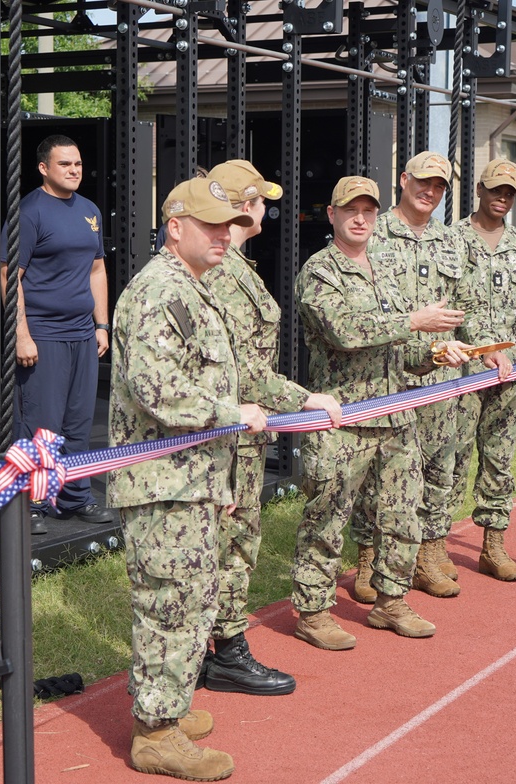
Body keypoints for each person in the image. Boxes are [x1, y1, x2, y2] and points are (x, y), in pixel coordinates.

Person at [109, 176, 266, 780]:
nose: (225, 235)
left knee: (193, 600)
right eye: (211, 225)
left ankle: (167, 707)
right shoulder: (158, 292)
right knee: (170, 603)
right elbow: (159, 391)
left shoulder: (192, 290)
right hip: (161, 482)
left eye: (229, 225)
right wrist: (234, 416)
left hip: (191, 477)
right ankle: (154, 733)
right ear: (175, 228)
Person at [291, 176, 470, 650]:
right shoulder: (319, 272)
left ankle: (391, 601)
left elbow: (403, 349)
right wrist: (414, 321)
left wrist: (434, 353)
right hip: (343, 418)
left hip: (395, 413)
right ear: (331, 215)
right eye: (351, 210)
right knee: (327, 517)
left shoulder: (384, 271)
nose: (361, 219)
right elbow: (345, 332)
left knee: (401, 515)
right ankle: (312, 611)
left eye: (369, 211)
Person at [198, 159, 342, 696]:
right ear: (244, 205)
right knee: (231, 542)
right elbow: (246, 371)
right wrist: (305, 399)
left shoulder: (235, 264)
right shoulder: (226, 272)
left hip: (241, 431)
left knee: (235, 539)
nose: (267, 209)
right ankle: (226, 650)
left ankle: (215, 645)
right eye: (261, 200)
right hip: (228, 433)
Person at [348, 151, 467, 602]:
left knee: (438, 466)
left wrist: (482, 351)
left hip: (439, 374)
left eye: (439, 186)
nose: (430, 191)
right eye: (423, 182)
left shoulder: (449, 240)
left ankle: (427, 554)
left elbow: (463, 304)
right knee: (376, 472)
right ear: (403, 179)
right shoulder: (373, 234)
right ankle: (369, 560)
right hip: (387, 374)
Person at [450, 159, 516, 580]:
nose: (501, 197)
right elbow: (450, 305)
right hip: (463, 372)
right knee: (451, 458)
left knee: (499, 457)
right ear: (478, 189)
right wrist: (480, 349)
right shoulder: (453, 240)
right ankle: (433, 546)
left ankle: (493, 543)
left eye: (509, 192)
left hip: (512, 371)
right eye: (495, 189)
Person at [0, 134, 113, 535]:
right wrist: (22, 335)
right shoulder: (29, 213)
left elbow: (97, 269)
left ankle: (74, 497)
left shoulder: (90, 211)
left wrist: (102, 324)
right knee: (41, 422)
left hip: (83, 334)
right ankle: (30, 503)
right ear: (44, 168)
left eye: (78, 163)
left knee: (79, 420)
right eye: (65, 164)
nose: (75, 170)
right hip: (43, 334)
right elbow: (10, 276)